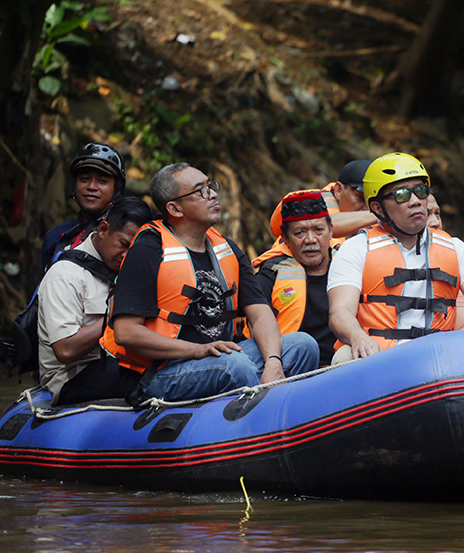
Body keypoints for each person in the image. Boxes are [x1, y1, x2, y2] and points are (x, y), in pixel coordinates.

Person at [101, 163, 319, 403]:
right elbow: (126, 333)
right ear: (175, 208)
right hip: (159, 372)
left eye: (210, 186)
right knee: (233, 366)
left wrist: (273, 362)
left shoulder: (226, 248)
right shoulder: (148, 250)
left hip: (220, 356)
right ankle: (261, 424)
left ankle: (283, 416)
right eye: (200, 190)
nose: (213, 194)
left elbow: (259, 312)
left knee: (303, 344)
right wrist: (197, 350)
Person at [327, 153, 464, 364]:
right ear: (377, 208)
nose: (415, 201)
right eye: (402, 195)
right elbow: (340, 312)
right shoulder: (355, 249)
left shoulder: (456, 248)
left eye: (421, 191)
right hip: (378, 357)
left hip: (439, 359)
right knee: (345, 356)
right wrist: (359, 338)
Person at [37, 198, 153, 405]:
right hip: (72, 377)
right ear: (103, 229)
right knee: (152, 374)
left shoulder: (134, 268)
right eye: (123, 244)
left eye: (134, 249)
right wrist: (114, 317)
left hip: (119, 362)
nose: (127, 256)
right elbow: (65, 350)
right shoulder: (65, 275)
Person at [253, 190, 340, 366]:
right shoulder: (270, 274)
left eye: (318, 230)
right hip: (292, 366)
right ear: (285, 238)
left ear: (331, 231)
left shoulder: (349, 262)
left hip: (343, 363)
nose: (310, 240)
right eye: (299, 232)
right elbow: (255, 325)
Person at [41, 143, 125, 274]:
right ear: (74, 185)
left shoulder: (128, 238)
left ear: (117, 190)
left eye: (102, 181)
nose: (92, 186)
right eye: (84, 179)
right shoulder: (55, 237)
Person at [267, 159, 376, 242]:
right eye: (361, 198)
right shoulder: (307, 204)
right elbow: (322, 225)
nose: (367, 207)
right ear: (338, 190)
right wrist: (378, 214)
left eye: (372, 200)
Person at [427, 194, 464, 330]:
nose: (435, 222)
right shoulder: (369, 247)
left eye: (437, 214)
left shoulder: (455, 252)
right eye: (426, 214)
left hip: (443, 347)